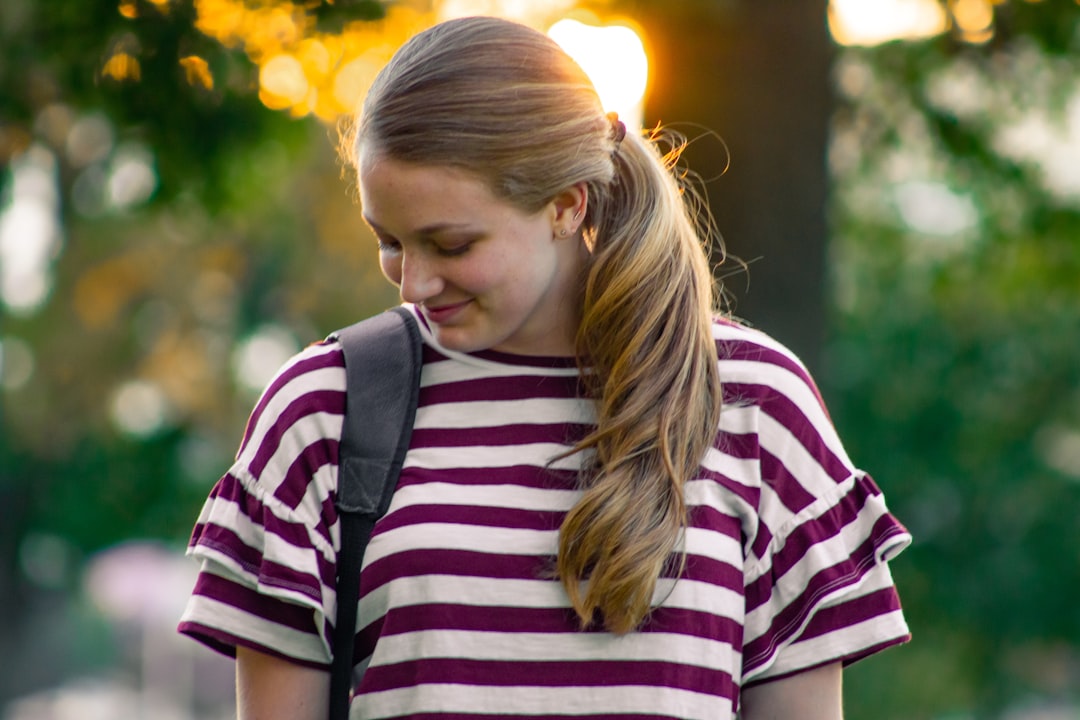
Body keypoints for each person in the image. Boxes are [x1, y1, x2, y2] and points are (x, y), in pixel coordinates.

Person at [178, 15, 911, 720]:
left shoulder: (757, 403)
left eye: (451, 244)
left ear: (564, 205)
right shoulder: (322, 410)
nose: (412, 284)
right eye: (389, 240)